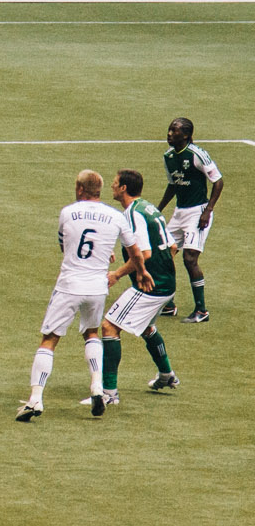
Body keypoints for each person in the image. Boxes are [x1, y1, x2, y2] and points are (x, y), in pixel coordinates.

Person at [17, 170, 148, 422]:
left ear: (79, 189)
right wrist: (141, 272)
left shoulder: (68, 212)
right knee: (91, 333)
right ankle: (97, 388)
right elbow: (136, 252)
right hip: (97, 288)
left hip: (69, 285)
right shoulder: (117, 216)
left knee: (49, 339)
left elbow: (65, 246)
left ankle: (35, 399)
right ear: (98, 191)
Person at [91, 170, 181, 415]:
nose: (112, 185)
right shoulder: (148, 208)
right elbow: (172, 247)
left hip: (151, 287)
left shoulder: (133, 213)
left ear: (123, 188)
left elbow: (144, 254)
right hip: (166, 284)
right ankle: (167, 374)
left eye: (115, 182)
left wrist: (118, 274)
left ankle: (109, 393)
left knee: (109, 327)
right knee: (146, 327)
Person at [159, 117, 223, 324]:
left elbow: (218, 181)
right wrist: (158, 209)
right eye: (169, 129)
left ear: (185, 135)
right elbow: (173, 185)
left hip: (198, 212)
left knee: (189, 259)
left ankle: (201, 311)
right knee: (163, 253)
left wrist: (208, 210)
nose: (169, 133)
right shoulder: (169, 156)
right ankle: (168, 304)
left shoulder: (197, 154)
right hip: (180, 212)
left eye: (174, 131)